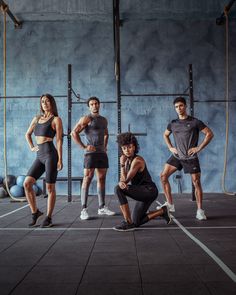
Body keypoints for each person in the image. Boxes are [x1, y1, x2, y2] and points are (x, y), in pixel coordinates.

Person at [159, 96, 214, 220]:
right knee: (163, 176)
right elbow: (165, 135)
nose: (179, 108)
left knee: (196, 182)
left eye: (181, 106)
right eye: (176, 107)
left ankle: (200, 210)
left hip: (190, 158)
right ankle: (170, 205)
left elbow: (209, 134)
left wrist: (199, 148)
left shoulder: (195, 122)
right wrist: (170, 147)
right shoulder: (173, 123)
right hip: (177, 156)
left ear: (185, 106)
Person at [113, 132, 171, 232]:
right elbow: (123, 180)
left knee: (117, 189)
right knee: (137, 222)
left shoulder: (137, 161)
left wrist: (122, 169)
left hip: (149, 191)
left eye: (129, 147)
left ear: (134, 147)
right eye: (124, 148)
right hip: (142, 192)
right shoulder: (127, 161)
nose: (127, 150)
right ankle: (162, 211)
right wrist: (123, 165)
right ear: (121, 150)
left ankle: (128, 222)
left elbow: (126, 180)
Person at [71, 96, 115, 220]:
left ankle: (102, 207)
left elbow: (106, 134)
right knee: (88, 178)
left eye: (96, 103)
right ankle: (83, 209)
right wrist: (84, 147)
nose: (94, 105)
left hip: (101, 153)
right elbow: (73, 133)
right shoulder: (86, 118)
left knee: (101, 178)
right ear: (89, 106)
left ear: (99, 105)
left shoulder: (103, 120)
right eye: (92, 104)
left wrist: (105, 147)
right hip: (90, 154)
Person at [24, 94, 63, 227]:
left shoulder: (56, 119)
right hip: (39, 155)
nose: (44, 103)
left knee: (50, 187)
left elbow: (59, 140)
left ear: (52, 103)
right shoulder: (37, 118)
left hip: (51, 155)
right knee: (27, 183)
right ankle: (35, 212)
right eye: (42, 101)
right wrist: (31, 147)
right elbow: (27, 134)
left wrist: (60, 160)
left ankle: (49, 217)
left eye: (47, 101)